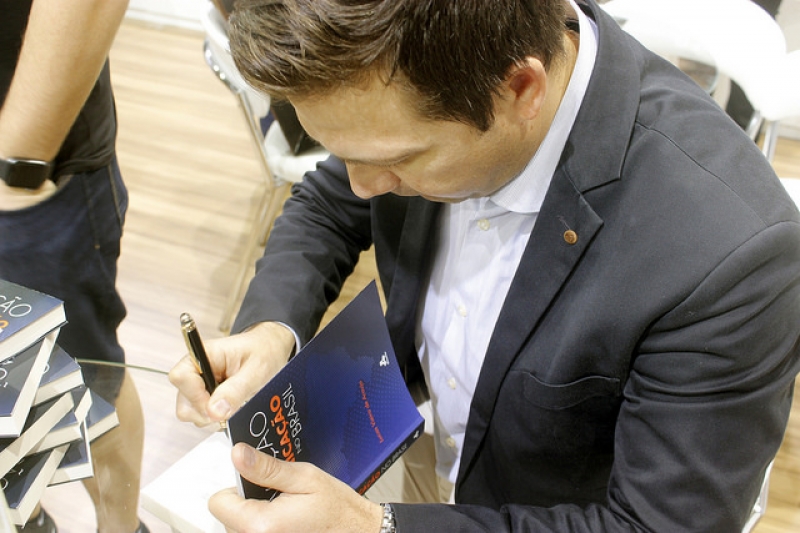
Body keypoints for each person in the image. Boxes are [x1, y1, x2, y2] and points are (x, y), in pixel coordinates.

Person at [169, 0, 800, 531]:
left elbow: (653, 525)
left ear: (520, 89)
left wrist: (375, 528)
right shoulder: (404, 86)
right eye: (343, 152)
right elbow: (330, 203)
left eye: (396, 161)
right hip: (418, 447)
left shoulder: (732, 257)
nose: (361, 185)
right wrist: (272, 328)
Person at [0, 1, 149, 532]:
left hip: (30, 175)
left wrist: (15, 166)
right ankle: (26, 516)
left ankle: (120, 527)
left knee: (81, 381)